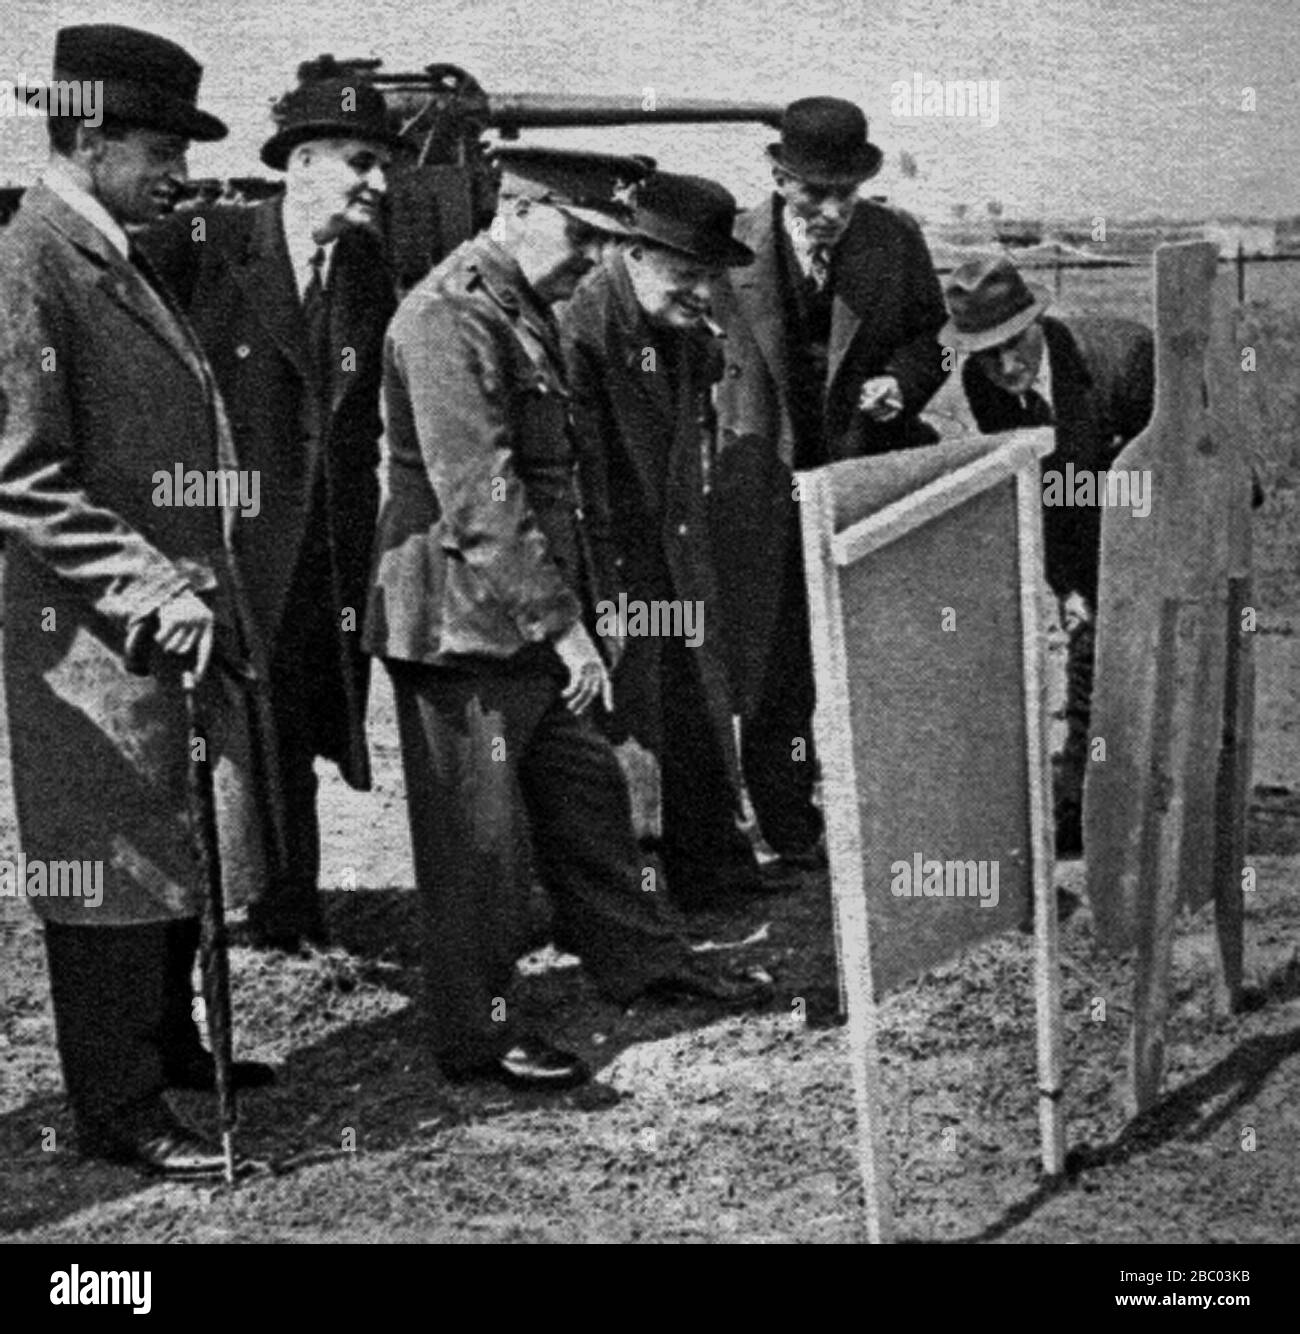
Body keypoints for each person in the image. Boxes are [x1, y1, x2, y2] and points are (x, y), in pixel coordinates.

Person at [364, 146, 770, 1091]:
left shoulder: (517, 309)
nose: (594, 261)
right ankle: (480, 1033)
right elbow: (481, 497)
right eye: (584, 237)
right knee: (480, 851)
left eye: (606, 244)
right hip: (461, 631)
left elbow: (557, 488)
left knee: (589, 798)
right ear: (519, 207)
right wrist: (564, 626)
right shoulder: (450, 314)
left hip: (518, 622)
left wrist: (569, 615)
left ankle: (642, 960)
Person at [0, 24, 275, 1179]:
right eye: (160, 148)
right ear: (91, 137)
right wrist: (146, 581)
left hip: (162, 620)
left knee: (165, 833)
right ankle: (119, 1106)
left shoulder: (113, 246)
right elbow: (19, 469)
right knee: (107, 852)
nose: (181, 173)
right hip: (92, 625)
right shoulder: (29, 263)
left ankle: (169, 1047)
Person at [144, 77, 403, 950]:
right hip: (220, 542)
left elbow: (359, 419)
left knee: (295, 723)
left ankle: (289, 909)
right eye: (362, 163)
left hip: (323, 548)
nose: (378, 184)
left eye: (384, 167)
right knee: (207, 741)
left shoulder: (368, 265)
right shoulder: (201, 240)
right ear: (301, 163)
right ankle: (191, 919)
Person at [711, 97, 949, 869]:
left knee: (867, 651)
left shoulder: (895, 242)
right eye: (816, 194)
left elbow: (935, 343)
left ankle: (880, 812)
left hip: (859, 476)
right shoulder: (729, 247)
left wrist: (903, 384)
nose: (833, 211)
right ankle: (788, 825)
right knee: (774, 659)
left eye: (847, 193)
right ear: (779, 179)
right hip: (758, 487)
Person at [561, 170, 779, 911]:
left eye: (710, 279)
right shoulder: (582, 330)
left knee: (691, 708)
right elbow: (578, 483)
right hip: (616, 568)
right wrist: (606, 600)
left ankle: (709, 866)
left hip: (674, 563)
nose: (701, 294)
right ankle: (637, 895)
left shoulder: (676, 327)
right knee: (630, 730)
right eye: (687, 276)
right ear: (633, 254)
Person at [940, 253, 1155, 855]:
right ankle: (1084, 804)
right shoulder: (986, 387)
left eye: (1015, 345)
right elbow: (1044, 493)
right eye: (987, 353)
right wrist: (1070, 589)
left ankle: (1172, 799)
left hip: (1166, 521)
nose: (1006, 366)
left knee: (1164, 667)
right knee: (1090, 659)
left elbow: (1180, 474)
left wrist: (1121, 578)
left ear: (1037, 320)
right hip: (1089, 529)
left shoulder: (1126, 359)